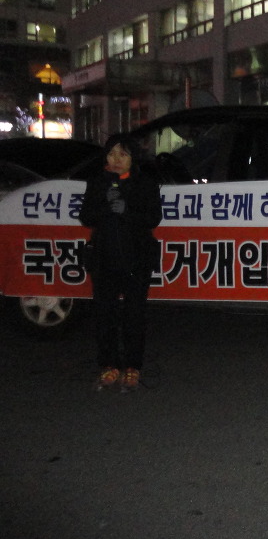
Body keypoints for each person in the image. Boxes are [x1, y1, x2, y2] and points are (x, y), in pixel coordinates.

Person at [79, 134, 163, 392]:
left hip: (137, 260)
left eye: (123, 154)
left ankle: (132, 367)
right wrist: (106, 207)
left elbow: (153, 218)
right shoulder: (98, 182)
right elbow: (86, 216)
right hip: (104, 259)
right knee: (105, 315)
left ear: (133, 158)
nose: (116, 159)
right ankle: (109, 365)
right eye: (112, 153)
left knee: (134, 315)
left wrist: (126, 211)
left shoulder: (145, 183)